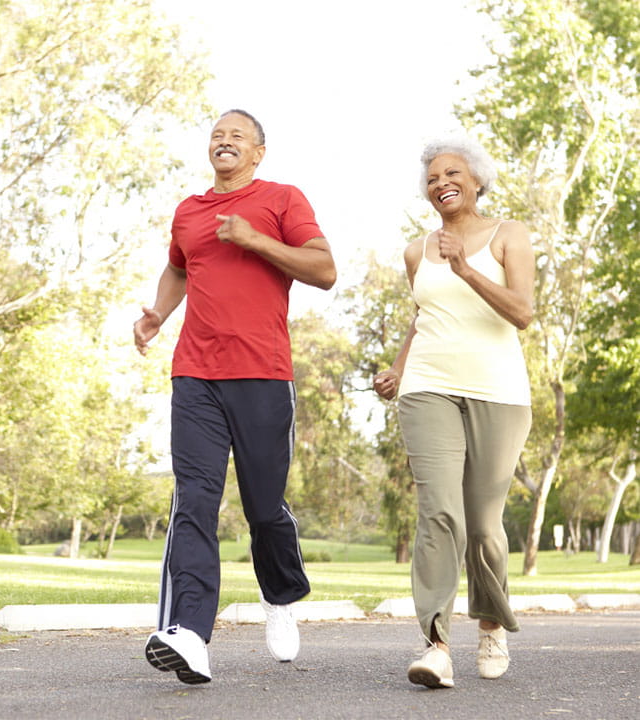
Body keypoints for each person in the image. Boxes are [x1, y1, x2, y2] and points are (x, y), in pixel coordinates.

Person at [133, 109, 336, 684]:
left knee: (264, 506)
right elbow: (178, 268)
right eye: (217, 136)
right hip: (195, 373)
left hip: (264, 375)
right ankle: (189, 633)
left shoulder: (281, 200)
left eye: (236, 137)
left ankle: (280, 594)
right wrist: (157, 315)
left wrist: (256, 240)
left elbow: (325, 270)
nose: (224, 142)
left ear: (258, 152)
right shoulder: (188, 212)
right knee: (193, 499)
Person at [373, 137, 534, 689]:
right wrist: (398, 369)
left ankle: (491, 623)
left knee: (484, 525)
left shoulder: (508, 234)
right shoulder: (417, 250)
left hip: (499, 392)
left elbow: (522, 312)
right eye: (433, 176)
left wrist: (466, 268)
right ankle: (437, 644)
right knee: (440, 513)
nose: (441, 181)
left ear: (476, 181)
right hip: (429, 387)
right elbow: (424, 316)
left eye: (453, 173)